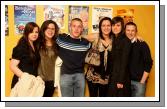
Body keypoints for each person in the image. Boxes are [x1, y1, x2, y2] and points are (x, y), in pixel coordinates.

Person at [56, 18, 90, 97]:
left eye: (79, 27)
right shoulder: (61, 39)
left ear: (82, 29)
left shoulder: (86, 43)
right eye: (74, 26)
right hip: (65, 75)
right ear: (70, 27)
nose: (76, 29)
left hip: (80, 75)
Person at [84, 17, 113, 97]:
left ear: (111, 26)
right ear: (100, 27)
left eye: (108, 25)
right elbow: (78, 36)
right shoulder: (95, 36)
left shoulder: (115, 39)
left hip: (106, 77)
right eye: (103, 25)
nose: (106, 28)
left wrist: (137, 35)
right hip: (93, 76)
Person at [125, 22, 153, 97]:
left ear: (136, 32)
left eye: (132, 30)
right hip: (125, 82)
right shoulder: (123, 44)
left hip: (138, 82)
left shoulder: (142, 44)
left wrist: (142, 82)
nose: (130, 33)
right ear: (125, 31)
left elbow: (149, 63)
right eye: (128, 30)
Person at [10, 22, 40, 89]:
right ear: (26, 33)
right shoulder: (20, 47)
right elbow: (12, 66)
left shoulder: (36, 46)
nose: (34, 34)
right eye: (31, 32)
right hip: (22, 82)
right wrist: (26, 79)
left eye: (36, 32)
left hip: (33, 82)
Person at [107, 16, 131, 97]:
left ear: (122, 26)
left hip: (121, 78)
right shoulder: (115, 39)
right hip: (113, 75)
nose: (115, 27)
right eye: (113, 25)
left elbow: (125, 62)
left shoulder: (126, 41)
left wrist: (120, 81)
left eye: (118, 25)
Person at [38, 20, 60, 97]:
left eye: (52, 29)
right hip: (39, 80)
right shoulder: (37, 43)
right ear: (43, 29)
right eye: (48, 28)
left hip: (52, 80)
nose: (50, 31)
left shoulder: (58, 44)